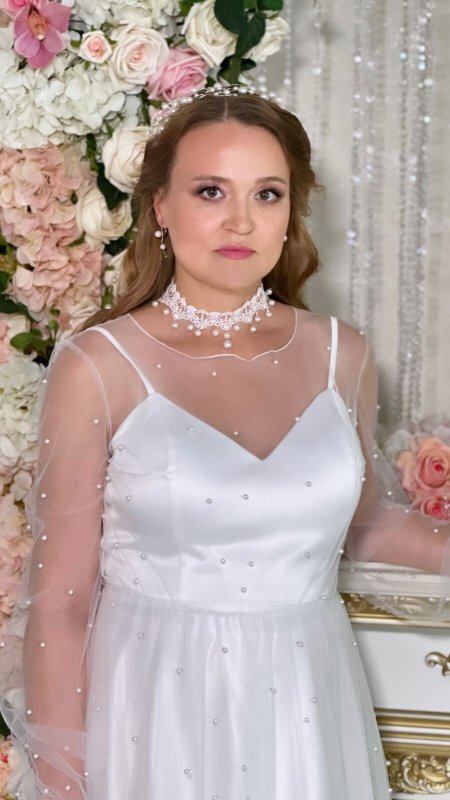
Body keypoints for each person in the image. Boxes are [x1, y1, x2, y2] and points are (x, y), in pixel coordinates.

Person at [1, 83, 449, 800]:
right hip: (154, 712)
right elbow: (62, 605)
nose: (241, 220)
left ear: (291, 213)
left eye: (267, 194)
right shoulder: (99, 366)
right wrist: (63, 784)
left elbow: (360, 523)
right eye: (211, 191)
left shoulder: (342, 354)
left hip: (306, 702)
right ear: (160, 206)